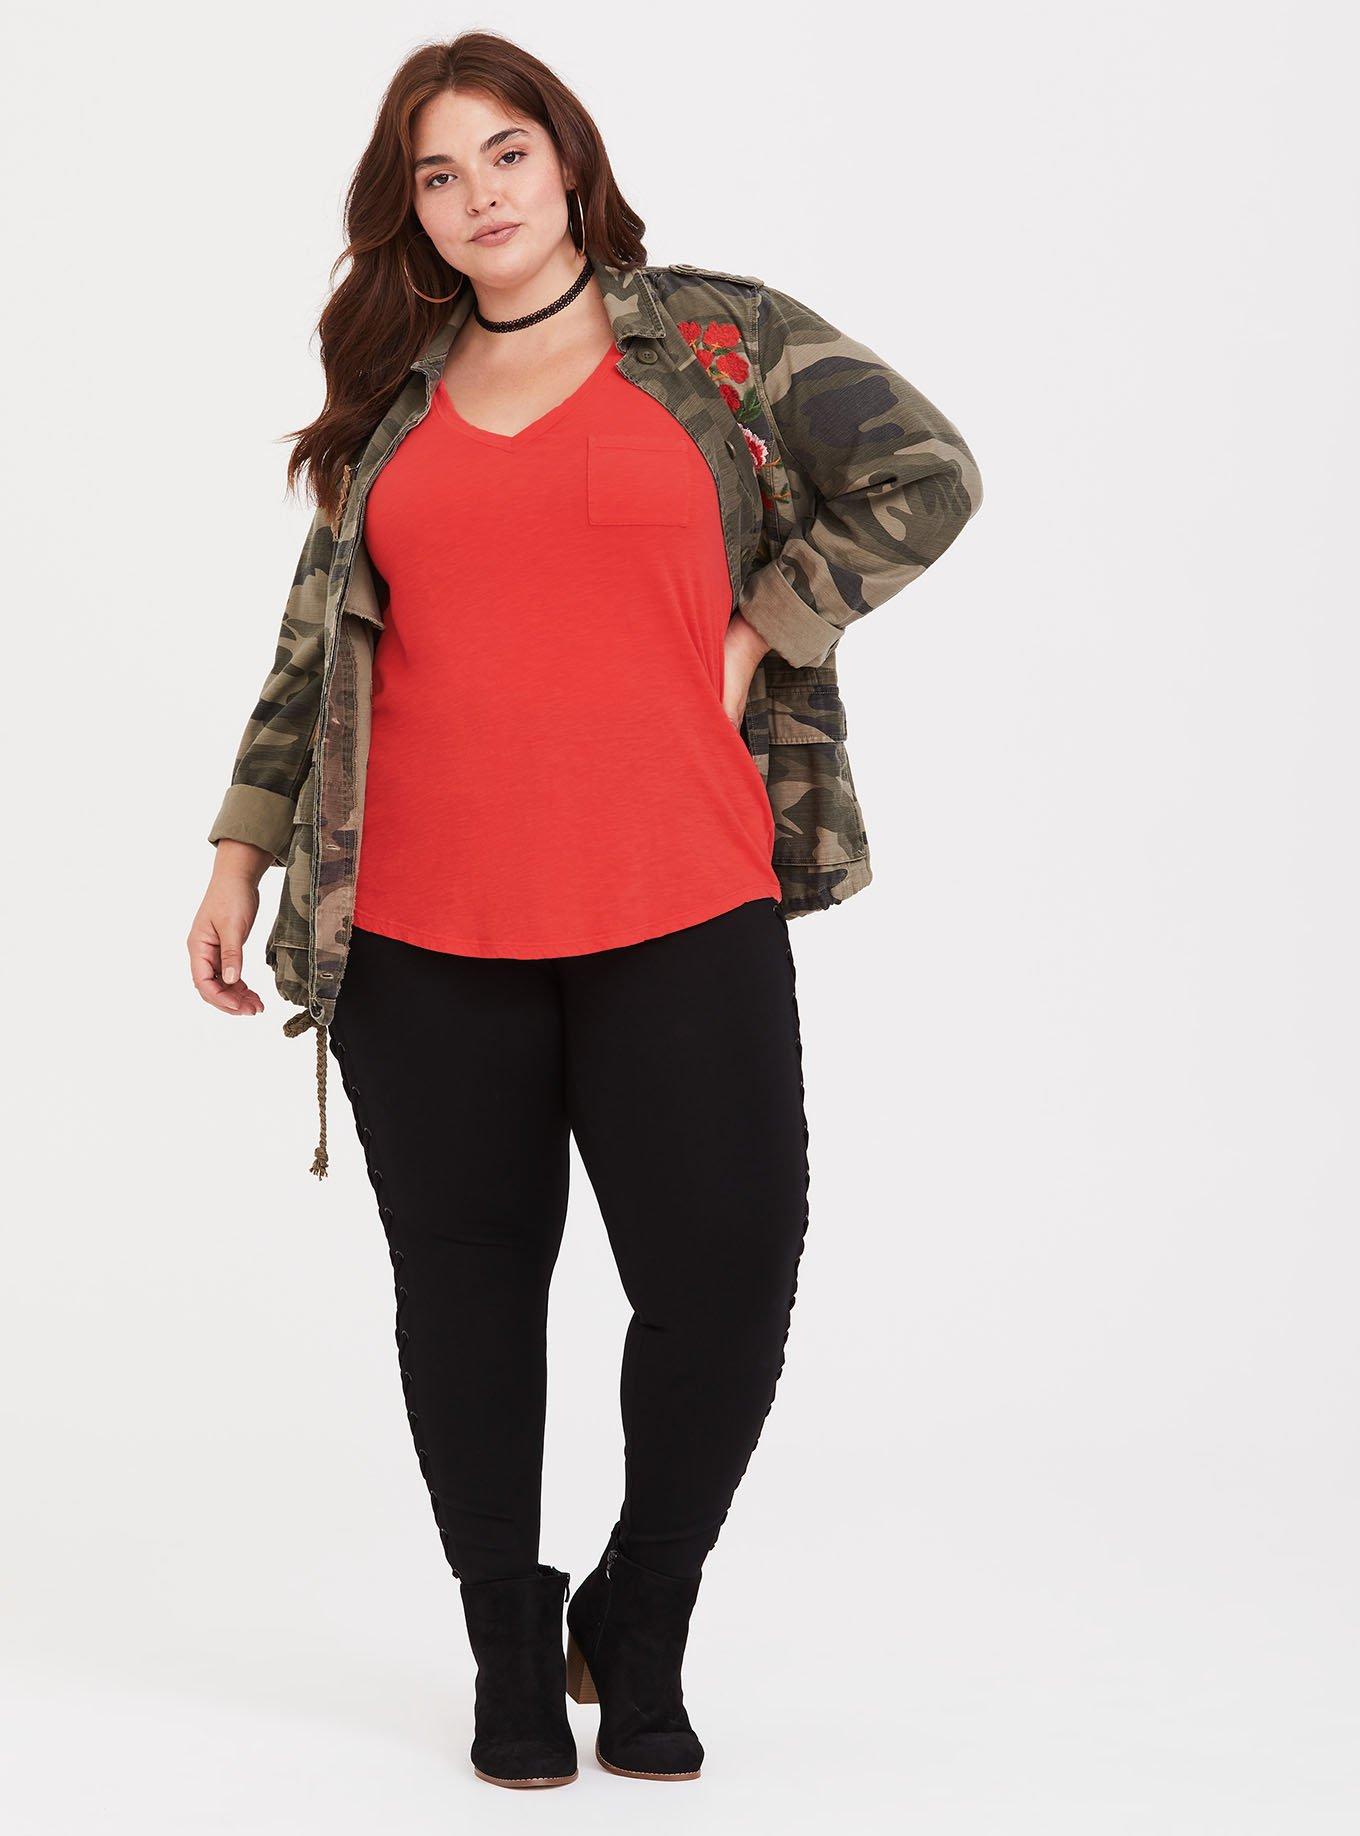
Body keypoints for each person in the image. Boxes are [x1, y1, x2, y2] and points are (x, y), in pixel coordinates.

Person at [188, 29, 983, 1791]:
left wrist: (762, 628)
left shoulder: (718, 340)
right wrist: (242, 851)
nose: (478, 196)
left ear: (568, 160)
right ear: (409, 211)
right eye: (437, 174)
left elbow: (929, 472)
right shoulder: (391, 397)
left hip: (681, 896)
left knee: (727, 1277)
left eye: (505, 154)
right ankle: (502, 1640)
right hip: (419, 924)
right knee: (468, 1295)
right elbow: (315, 648)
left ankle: (640, 1615)